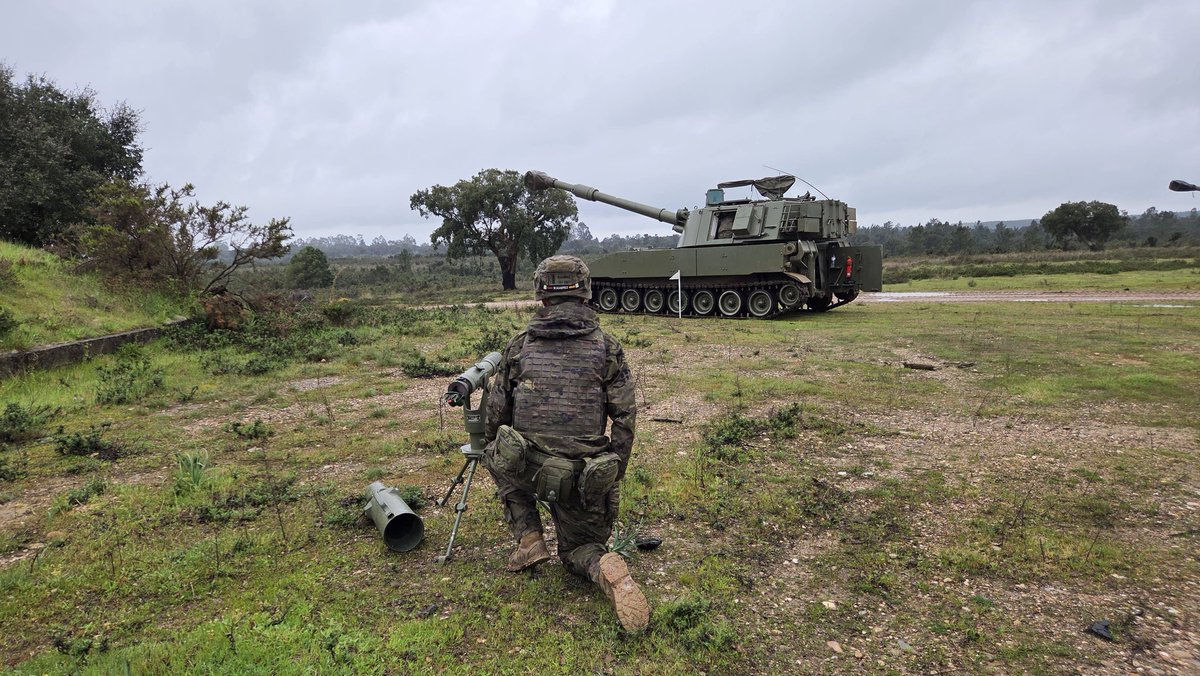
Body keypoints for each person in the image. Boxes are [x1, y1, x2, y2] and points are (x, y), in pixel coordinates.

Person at [482, 255, 648, 632]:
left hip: (527, 469)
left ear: (541, 296)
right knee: (578, 550)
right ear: (586, 294)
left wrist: (499, 445)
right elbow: (625, 417)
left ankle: (529, 538)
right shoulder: (607, 347)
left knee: (496, 452)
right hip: (582, 476)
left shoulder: (519, 346)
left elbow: (496, 414)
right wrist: (612, 473)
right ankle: (599, 565)